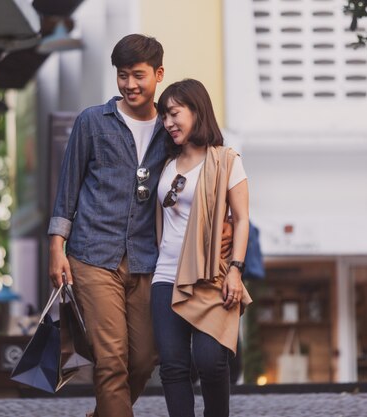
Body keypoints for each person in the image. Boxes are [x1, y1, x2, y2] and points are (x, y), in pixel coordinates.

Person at [48, 34, 168, 417]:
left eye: (138, 75)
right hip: (93, 255)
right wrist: (56, 248)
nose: (130, 84)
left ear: (158, 74)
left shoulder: (171, 129)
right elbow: (67, 188)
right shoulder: (91, 122)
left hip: (149, 260)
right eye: (122, 75)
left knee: (145, 358)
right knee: (111, 359)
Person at [151, 79, 253, 417]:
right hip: (166, 275)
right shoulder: (165, 163)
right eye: (164, 116)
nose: (169, 123)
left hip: (211, 274)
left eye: (175, 113)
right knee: (173, 368)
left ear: (197, 110)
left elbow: (241, 219)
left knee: (210, 361)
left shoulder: (226, 159)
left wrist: (235, 270)